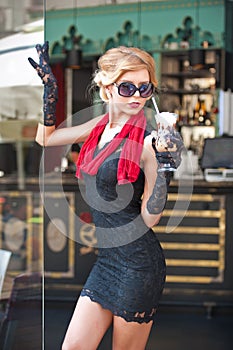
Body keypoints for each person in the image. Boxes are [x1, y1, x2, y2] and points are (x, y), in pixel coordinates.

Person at [29, 42, 183, 350]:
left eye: (145, 88)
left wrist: (165, 168)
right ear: (108, 89)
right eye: (128, 87)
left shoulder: (149, 143)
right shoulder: (99, 128)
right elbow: (46, 139)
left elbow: (150, 218)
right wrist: (50, 91)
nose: (138, 96)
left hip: (139, 264)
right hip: (108, 261)